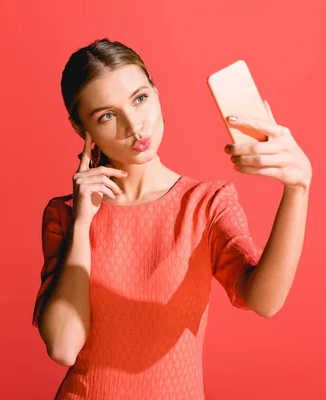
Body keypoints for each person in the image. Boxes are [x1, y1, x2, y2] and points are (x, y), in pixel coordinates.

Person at [31, 38, 312, 399]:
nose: (135, 126)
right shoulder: (66, 215)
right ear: (80, 128)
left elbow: (264, 301)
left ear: (156, 92)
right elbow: (64, 347)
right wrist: (83, 224)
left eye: (140, 98)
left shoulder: (206, 203)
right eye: (107, 116)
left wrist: (297, 189)